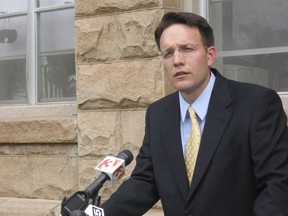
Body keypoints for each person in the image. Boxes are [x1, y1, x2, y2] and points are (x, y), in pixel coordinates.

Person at [101, 12, 288, 216]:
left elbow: (277, 186)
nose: (177, 60)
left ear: (210, 55)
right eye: (168, 53)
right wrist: (98, 214)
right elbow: (145, 181)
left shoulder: (256, 104)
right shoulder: (158, 114)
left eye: (187, 49)